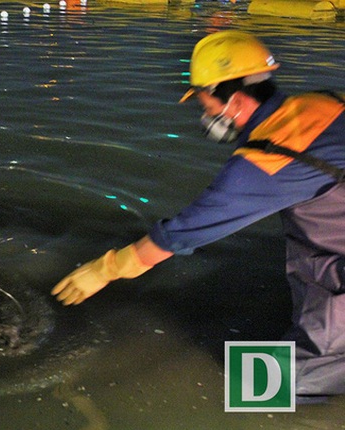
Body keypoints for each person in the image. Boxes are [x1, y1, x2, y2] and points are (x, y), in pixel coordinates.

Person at [52, 30, 345, 397]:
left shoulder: (266, 160)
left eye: (205, 102)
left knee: (259, 385)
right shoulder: (323, 101)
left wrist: (105, 269)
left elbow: (183, 231)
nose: (204, 112)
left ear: (234, 101)